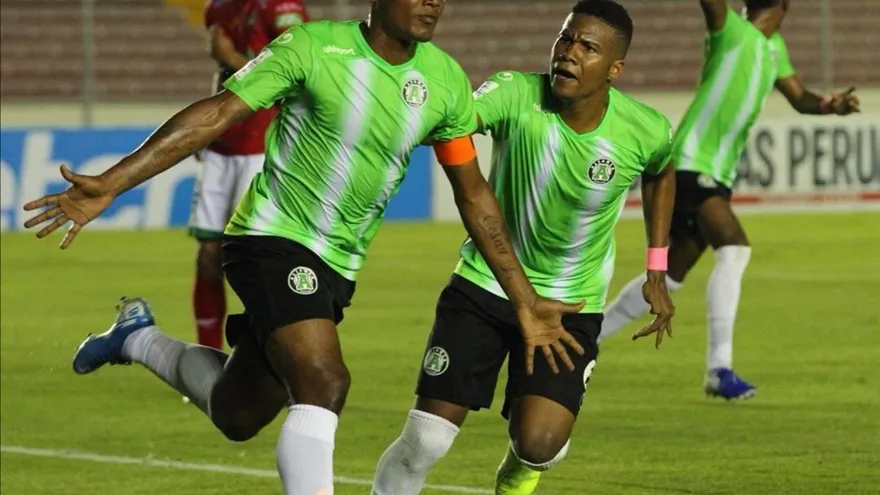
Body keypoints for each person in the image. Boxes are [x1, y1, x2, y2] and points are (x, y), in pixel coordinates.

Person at [21, 1, 587, 493]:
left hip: (338, 264)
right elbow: (218, 113)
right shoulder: (313, 47)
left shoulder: (445, 82)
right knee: (324, 381)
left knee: (238, 411)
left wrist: (523, 298)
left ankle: (137, 338)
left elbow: (474, 195)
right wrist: (114, 182)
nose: (433, 2)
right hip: (270, 237)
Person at [372, 1, 676, 494]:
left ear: (614, 69)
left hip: (569, 305)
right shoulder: (514, 92)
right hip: (485, 286)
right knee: (426, 438)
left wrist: (656, 269)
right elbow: (456, 121)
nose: (569, 54)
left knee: (540, 443)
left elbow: (662, 171)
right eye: (566, 39)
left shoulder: (644, 130)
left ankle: (521, 468)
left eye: (588, 47)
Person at [599, 0, 860, 400]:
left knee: (671, 275)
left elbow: (798, 96)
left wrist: (830, 105)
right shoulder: (730, 31)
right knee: (735, 248)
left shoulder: (775, 49)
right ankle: (719, 368)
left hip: (715, 172)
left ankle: (587, 336)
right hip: (688, 162)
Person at [191, 0, 309, 350]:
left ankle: (265, 353)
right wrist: (208, 127)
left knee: (256, 257)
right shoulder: (219, 8)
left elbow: (295, 76)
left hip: (262, 147)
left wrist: (231, 58)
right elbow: (221, 76)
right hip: (221, 148)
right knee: (208, 252)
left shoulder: (282, 7)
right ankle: (208, 357)